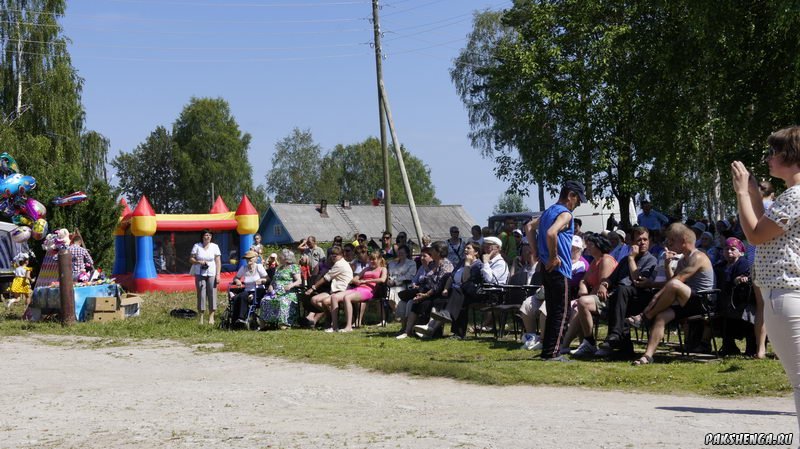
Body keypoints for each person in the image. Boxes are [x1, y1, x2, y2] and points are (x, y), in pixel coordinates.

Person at [732, 126, 800, 433]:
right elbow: (763, 224)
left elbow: (755, 235)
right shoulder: (791, 195)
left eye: (774, 152)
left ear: (790, 156)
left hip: (785, 294)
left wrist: (741, 193)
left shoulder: (795, 195)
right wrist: (755, 194)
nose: (769, 158)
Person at [627, 223, 715, 365]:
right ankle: (647, 356)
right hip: (686, 301)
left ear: (684, 240)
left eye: (672, 240)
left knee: (673, 286)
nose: (668, 243)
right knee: (661, 317)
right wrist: (668, 265)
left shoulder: (698, 257)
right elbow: (671, 281)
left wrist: (655, 298)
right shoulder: (682, 260)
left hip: (703, 301)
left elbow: (676, 282)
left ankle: (645, 316)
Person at [526, 180, 586, 360]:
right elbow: (552, 233)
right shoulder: (565, 214)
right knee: (561, 312)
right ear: (570, 196)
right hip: (560, 269)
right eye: (578, 200)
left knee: (553, 310)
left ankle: (547, 351)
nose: (578, 204)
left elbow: (529, 227)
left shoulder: (548, 212)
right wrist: (553, 256)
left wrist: (536, 250)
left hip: (547, 269)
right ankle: (553, 353)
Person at [595, 227, 658, 357]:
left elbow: (638, 281)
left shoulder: (651, 260)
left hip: (642, 298)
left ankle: (615, 335)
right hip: (622, 298)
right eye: (639, 240)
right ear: (632, 243)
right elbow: (611, 279)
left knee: (621, 291)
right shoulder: (624, 260)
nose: (642, 243)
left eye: (645, 239)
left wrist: (631, 259)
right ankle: (624, 348)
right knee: (618, 295)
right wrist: (603, 285)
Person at [560, 234, 617, 357]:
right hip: (594, 298)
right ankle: (574, 344)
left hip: (607, 299)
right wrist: (583, 287)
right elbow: (583, 280)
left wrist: (585, 297)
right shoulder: (594, 261)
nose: (587, 247)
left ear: (599, 245)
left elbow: (602, 285)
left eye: (590, 245)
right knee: (577, 305)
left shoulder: (606, 260)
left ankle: (584, 343)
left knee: (580, 304)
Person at [396, 241, 453, 339]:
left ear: (438, 252)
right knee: (416, 302)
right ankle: (407, 332)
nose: (431, 252)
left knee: (431, 302)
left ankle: (429, 330)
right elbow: (425, 280)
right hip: (429, 292)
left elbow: (438, 286)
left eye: (432, 250)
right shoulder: (432, 264)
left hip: (440, 294)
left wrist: (425, 295)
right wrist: (421, 293)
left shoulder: (447, 265)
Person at [714, 237, 756, 356]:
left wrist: (738, 279)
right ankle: (729, 347)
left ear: (740, 251)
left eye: (733, 249)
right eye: (726, 249)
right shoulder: (720, 265)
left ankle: (751, 348)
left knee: (746, 316)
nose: (729, 251)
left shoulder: (743, 263)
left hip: (742, 300)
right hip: (725, 300)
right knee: (722, 316)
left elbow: (745, 279)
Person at [329, 250, 387, 332]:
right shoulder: (367, 269)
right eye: (370, 259)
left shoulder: (382, 269)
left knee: (347, 298)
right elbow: (355, 278)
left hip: (369, 291)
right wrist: (357, 281)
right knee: (334, 297)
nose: (371, 261)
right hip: (358, 288)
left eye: (374, 259)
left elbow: (382, 279)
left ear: (380, 259)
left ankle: (348, 327)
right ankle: (334, 327)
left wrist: (366, 281)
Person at [304, 246, 353, 330]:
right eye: (331, 254)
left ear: (342, 255)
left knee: (325, 302)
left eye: (335, 255)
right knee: (314, 300)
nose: (332, 256)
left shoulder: (340, 264)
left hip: (342, 291)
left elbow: (326, 278)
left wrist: (312, 288)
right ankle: (330, 317)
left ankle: (332, 322)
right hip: (334, 290)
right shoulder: (337, 263)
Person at [260, 249, 302, 329]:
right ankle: (264, 325)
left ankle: (283, 323)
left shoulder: (294, 267)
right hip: (276, 292)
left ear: (286, 258)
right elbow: (273, 280)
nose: (279, 257)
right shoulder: (279, 268)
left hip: (288, 293)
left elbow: (299, 281)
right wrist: (271, 286)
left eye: (281, 256)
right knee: (264, 300)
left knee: (282, 301)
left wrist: (291, 285)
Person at [190, 229, 222, 325]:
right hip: (200, 272)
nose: (207, 237)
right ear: (202, 236)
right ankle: (201, 317)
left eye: (209, 235)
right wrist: (198, 262)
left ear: (211, 237)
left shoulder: (215, 246)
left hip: (212, 272)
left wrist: (218, 274)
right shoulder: (197, 246)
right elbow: (191, 259)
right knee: (201, 293)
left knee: (212, 293)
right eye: (206, 235)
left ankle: (211, 316)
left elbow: (218, 261)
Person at [230, 250, 268, 325]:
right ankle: (237, 320)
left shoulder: (259, 267)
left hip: (258, 291)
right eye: (247, 258)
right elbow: (236, 278)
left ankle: (241, 318)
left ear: (255, 258)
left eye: (250, 258)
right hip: (247, 291)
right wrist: (237, 281)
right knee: (242, 295)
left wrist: (262, 280)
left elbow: (267, 279)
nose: (248, 260)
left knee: (241, 296)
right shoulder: (244, 268)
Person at [387, 245, 417, 317]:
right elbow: (388, 274)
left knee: (394, 291)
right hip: (391, 285)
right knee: (389, 291)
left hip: (405, 284)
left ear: (407, 254)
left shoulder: (411, 263)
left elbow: (410, 276)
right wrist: (388, 280)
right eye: (399, 253)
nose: (400, 255)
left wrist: (396, 281)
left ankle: (398, 314)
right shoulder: (392, 264)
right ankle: (397, 312)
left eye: (402, 253)